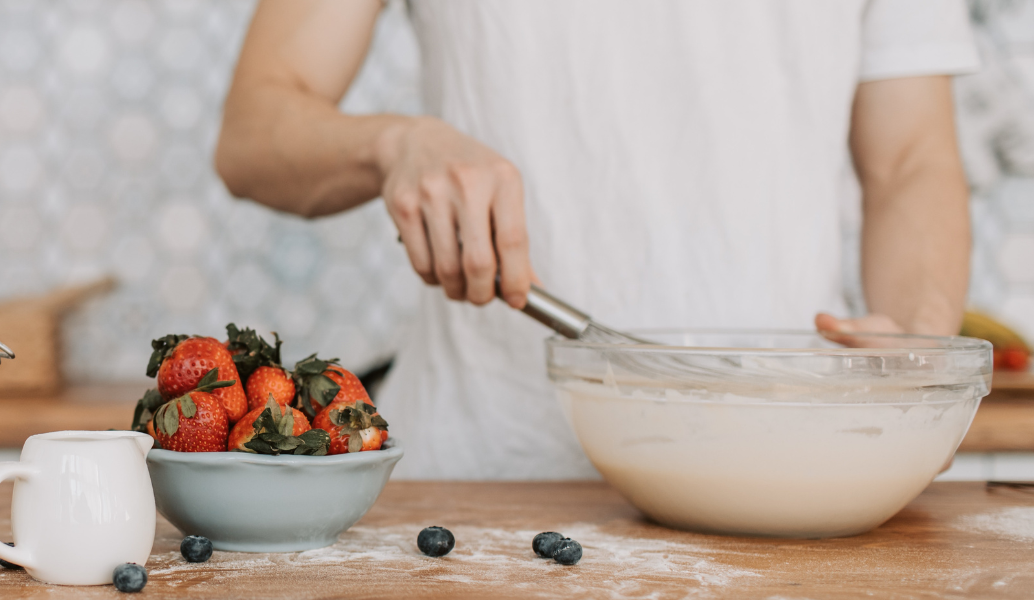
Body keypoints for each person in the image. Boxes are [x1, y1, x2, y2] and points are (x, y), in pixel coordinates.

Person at [214, 0, 978, 479]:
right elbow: (253, 132)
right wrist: (393, 145)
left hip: (785, 469)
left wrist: (922, 353)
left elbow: (910, 163)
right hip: (482, 480)